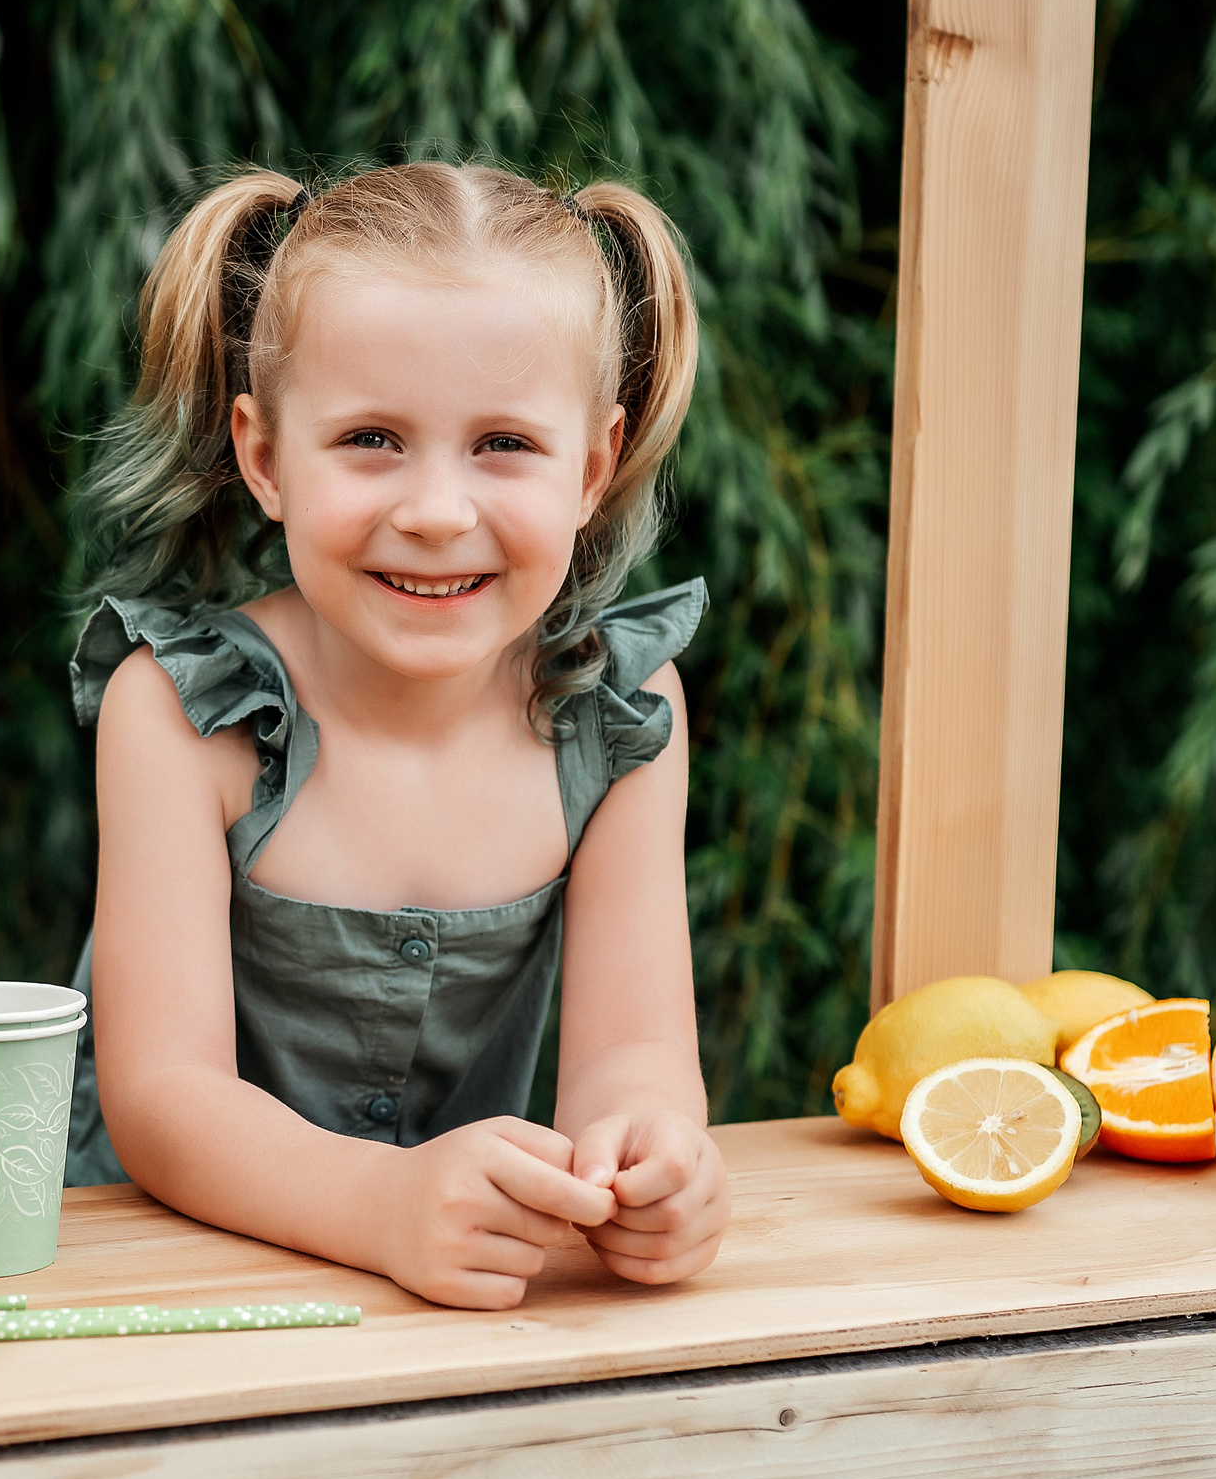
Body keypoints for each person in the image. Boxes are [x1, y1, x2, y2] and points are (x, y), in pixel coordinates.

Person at [65, 161, 726, 1310]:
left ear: (591, 465)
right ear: (265, 457)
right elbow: (164, 1094)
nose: (432, 509)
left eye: (503, 444)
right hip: (161, 1298)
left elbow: (633, 1048)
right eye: (371, 437)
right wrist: (381, 1204)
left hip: (459, 1292)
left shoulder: (614, 713)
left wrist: (652, 1154)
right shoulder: (183, 714)